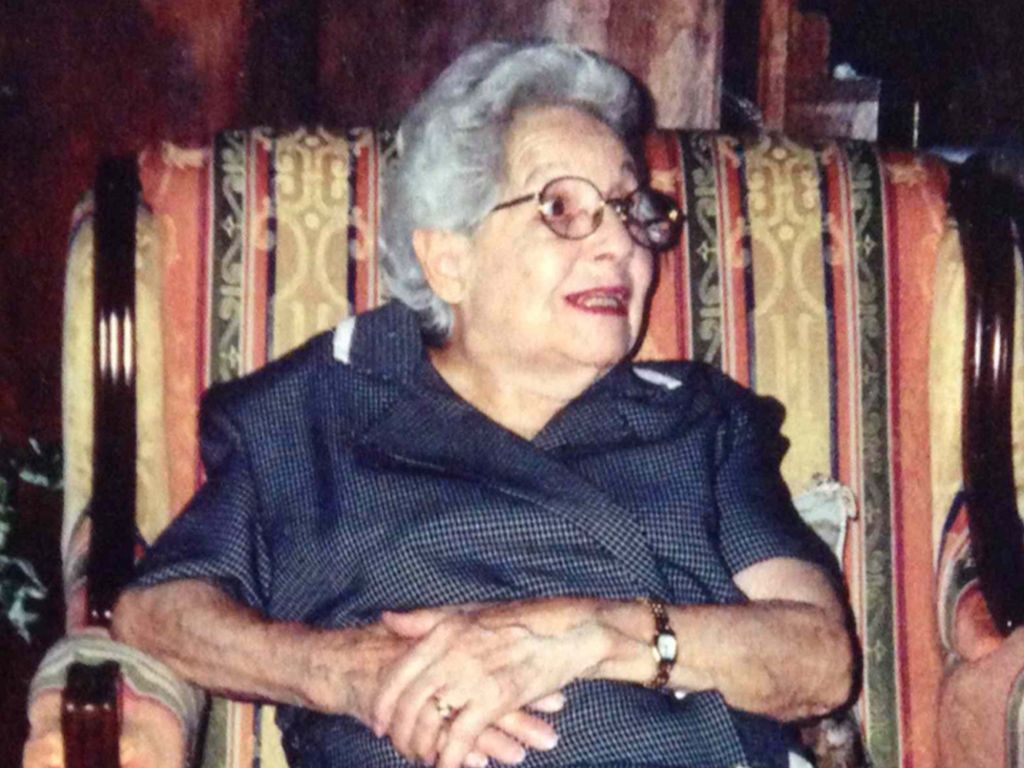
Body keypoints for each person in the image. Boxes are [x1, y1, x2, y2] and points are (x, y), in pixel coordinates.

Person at [26, 40, 853, 768]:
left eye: (630, 210)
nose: (620, 244)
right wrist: (345, 671)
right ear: (449, 259)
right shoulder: (318, 409)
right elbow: (158, 610)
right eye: (562, 209)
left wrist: (592, 634)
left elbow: (819, 658)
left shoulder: (696, 420)